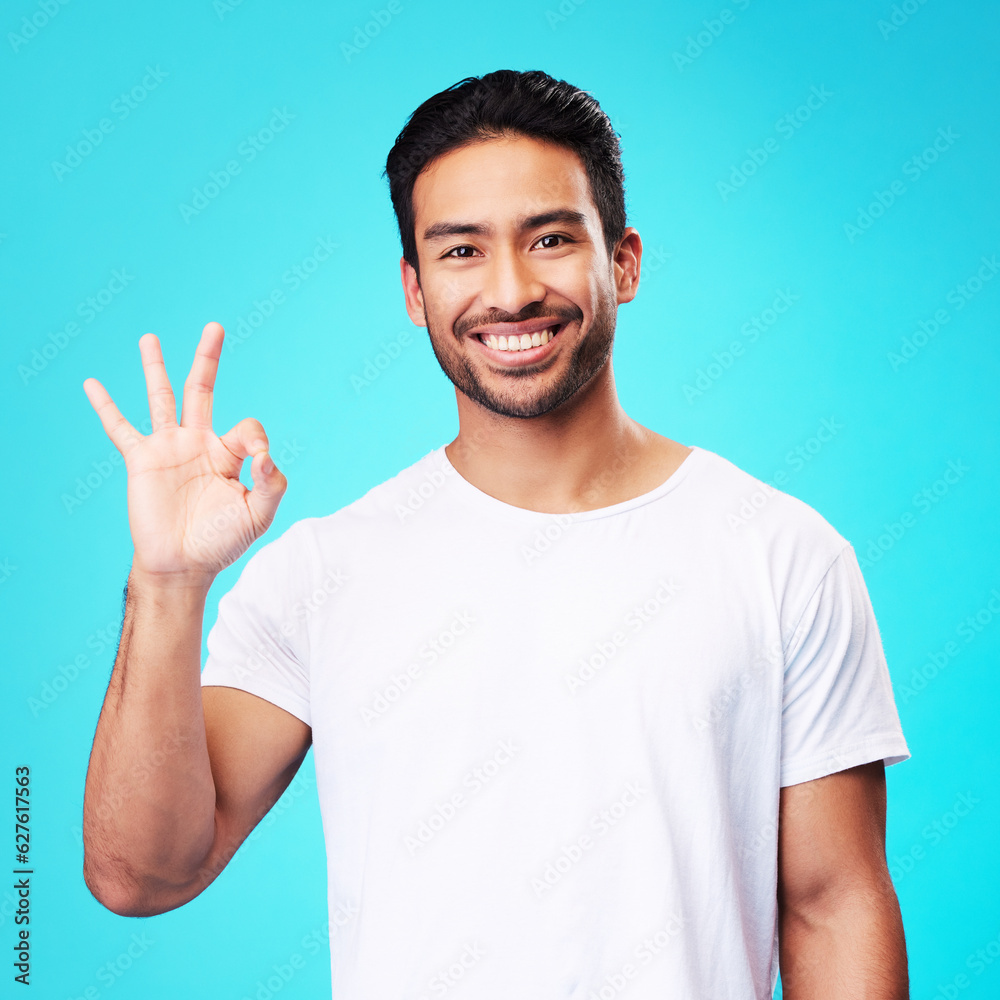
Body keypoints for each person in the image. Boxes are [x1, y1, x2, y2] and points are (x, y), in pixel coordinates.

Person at [82, 69, 911, 998]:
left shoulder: (783, 555)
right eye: (461, 251)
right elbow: (141, 875)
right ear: (414, 288)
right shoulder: (322, 573)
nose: (511, 292)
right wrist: (165, 584)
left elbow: (833, 906)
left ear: (624, 261)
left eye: (551, 239)